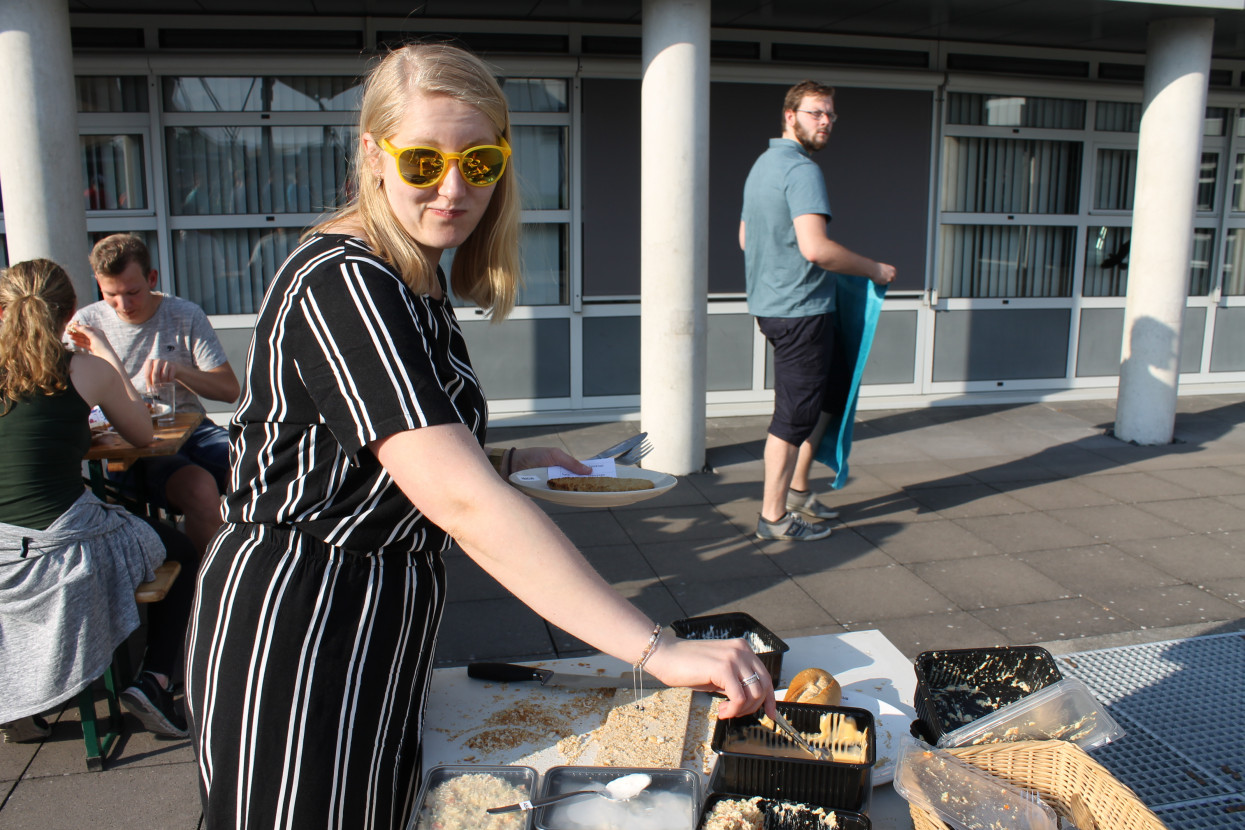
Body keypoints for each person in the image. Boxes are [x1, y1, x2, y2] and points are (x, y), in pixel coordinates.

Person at [185, 43, 776, 830]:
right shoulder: (346, 280)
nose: (453, 188)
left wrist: (503, 459)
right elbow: (460, 503)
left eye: (481, 161)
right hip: (305, 621)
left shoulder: (412, 274)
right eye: (424, 161)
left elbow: (371, 448)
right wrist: (653, 649)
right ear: (374, 153)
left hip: (379, 611)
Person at [0, 259, 197, 740]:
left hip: (4, 551)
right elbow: (140, 432)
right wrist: (106, 352)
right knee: (184, 553)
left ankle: (19, 702)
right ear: (70, 311)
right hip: (62, 548)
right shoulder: (82, 370)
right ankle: (154, 681)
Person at [740, 80, 897, 543]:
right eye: (815, 113)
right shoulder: (801, 170)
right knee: (793, 418)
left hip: (780, 306)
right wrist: (874, 270)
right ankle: (773, 519)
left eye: (830, 114)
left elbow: (746, 239)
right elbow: (816, 249)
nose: (825, 121)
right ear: (790, 116)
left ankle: (797, 491)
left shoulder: (762, 166)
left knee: (823, 401)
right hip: (800, 312)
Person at [72, 233, 241, 554]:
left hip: (191, 427)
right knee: (201, 490)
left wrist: (180, 372)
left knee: (257, 466)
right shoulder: (86, 324)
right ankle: (215, 590)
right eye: (111, 294)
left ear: (152, 278)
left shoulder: (184, 314)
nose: (124, 305)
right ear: (97, 283)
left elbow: (230, 391)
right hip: (131, 441)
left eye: (133, 292)